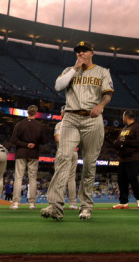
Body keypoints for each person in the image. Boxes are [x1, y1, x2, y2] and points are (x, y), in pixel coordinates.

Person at [41, 41, 114, 221]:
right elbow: (58, 86)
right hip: (71, 117)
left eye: (84, 51)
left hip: (92, 119)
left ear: (92, 52)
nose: (81, 53)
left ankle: (86, 206)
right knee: (63, 158)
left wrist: (101, 105)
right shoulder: (69, 70)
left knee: (89, 164)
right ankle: (55, 206)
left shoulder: (103, 71)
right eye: (78, 51)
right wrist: (75, 68)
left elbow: (108, 93)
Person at [11, 105, 46, 210]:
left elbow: (13, 140)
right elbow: (44, 141)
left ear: (27, 112)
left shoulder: (20, 124)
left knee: (18, 178)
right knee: (33, 178)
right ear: (36, 112)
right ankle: (32, 203)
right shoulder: (40, 125)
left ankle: (16, 203)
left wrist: (25, 145)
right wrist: (34, 143)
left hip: (21, 152)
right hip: (33, 153)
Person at [112, 110, 139, 210]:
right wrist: (119, 143)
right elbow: (117, 141)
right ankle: (123, 202)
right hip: (123, 158)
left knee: (132, 176)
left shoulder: (137, 127)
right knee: (121, 180)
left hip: (134, 156)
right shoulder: (124, 129)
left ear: (126, 117)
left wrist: (124, 142)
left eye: (123, 117)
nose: (122, 119)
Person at [54, 107, 78, 210]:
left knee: (60, 177)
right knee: (71, 178)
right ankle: (72, 203)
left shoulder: (60, 124)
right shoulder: (76, 125)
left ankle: (59, 202)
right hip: (74, 152)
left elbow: (57, 138)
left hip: (64, 151)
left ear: (62, 114)